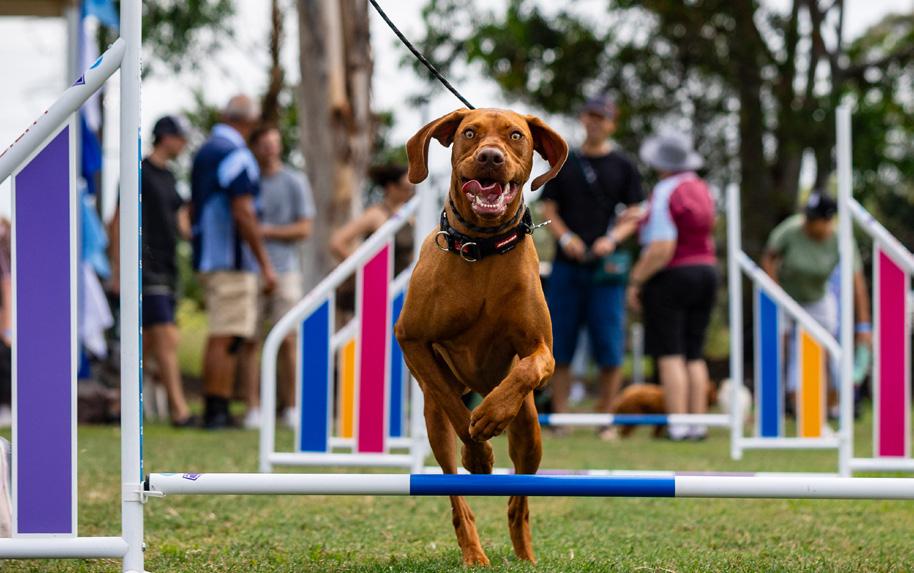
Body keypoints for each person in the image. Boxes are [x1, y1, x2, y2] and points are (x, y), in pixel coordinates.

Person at [539, 95, 644, 428]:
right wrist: (566, 238)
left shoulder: (624, 165)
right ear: (583, 119)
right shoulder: (564, 161)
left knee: (609, 345)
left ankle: (606, 418)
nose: (595, 122)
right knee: (559, 343)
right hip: (566, 267)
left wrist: (611, 239)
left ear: (612, 123)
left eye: (602, 117)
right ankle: (561, 418)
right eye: (590, 115)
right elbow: (548, 208)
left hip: (606, 270)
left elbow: (635, 213)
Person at [191, 95, 278, 429]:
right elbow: (243, 211)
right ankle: (217, 410)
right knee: (228, 335)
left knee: (224, 332)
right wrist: (264, 263)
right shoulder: (235, 154)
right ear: (250, 122)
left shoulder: (206, 151)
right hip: (231, 259)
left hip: (209, 256)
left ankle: (218, 406)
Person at [627, 131, 718, 441]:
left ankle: (677, 425)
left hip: (673, 276)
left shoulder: (665, 191)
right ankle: (698, 425)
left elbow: (662, 247)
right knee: (694, 354)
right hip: (707, 271)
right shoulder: (701, 188)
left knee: (670, 353)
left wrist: (636, 279)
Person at [109, 115, 195, 427]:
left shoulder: (170, 177)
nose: (184, 144)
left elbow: (181, 224)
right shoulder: (138, 173)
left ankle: (118, 406)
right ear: (166, 137)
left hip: (168, 267)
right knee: (166, 337)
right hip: (144, 267)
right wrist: (118, 271)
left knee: (146, 341)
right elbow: (118, 220)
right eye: (181, 137)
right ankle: (180, 411)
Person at [761, 192, 871, 414]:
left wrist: (863, 326)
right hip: (785, 296)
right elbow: (769, 257)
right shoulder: (791, 229)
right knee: (779, 344)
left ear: (829, 220)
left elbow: (857, 284)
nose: (807, 223)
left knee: (823, 350)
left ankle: (826, 405)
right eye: (807, 217)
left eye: (814, 219)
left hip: (817, 299)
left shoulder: (841, 240)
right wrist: (775, 292)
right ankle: (774, 403)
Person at [239, 125, 316, 429]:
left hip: (286, 271)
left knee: (288, 340)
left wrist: (265, 231)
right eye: (264, 143)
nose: (270, 148)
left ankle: (292, 408)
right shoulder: (247, 181)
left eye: (274, 142)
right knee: (249, 340)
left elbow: (305, 228)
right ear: (255, 148)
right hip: (248, 271)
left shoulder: (294, 181)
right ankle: (253, 409)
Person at [329, 163, 415, 275]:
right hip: (378, 282)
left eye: (412, 189)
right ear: (391, 187)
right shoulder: (375, 215)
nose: (409, 193)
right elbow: (337, 242)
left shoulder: (410, 215)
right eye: (406, 188)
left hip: (403, 282)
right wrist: (364, 270)